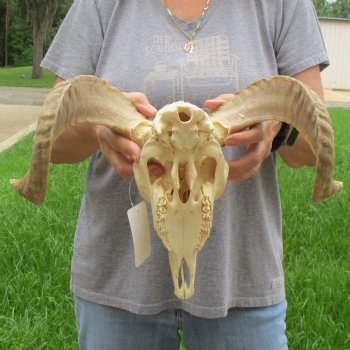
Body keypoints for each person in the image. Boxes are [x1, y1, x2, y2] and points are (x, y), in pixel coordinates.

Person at [41, 0, 329, 349]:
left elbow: (315, 147)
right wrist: (98, 127)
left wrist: (280, 129)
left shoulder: (281, 5)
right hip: (118, 283)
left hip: (240, 280)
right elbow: (51, 141)